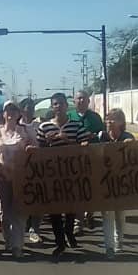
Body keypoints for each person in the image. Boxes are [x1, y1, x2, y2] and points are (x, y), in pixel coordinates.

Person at [36, 92, 93, 257]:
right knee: (54, 210)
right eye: (55, 104)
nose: (58, 107)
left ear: (67, 106)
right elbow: (38, 153)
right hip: (51, 176)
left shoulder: (76, 126)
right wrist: (47, 141)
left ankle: (69, 232)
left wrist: (67, 140)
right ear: (52, 107)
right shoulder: (44, 127)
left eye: (61, 103)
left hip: (71, 176)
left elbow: (83, 147)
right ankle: (59, 242)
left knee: (70, 209)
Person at [0, 101, 37, 258]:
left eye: (14, 110)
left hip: (21, 177)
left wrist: (31, 149)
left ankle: (18, 245)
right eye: (8, 110)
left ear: (18, 113)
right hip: (2, 176)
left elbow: (37, 148)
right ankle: (8, 240)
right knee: (5, 212)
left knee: (19, 212)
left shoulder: (26, 131)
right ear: (3, 113)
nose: (11, 113)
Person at [97, 108, 134, 257]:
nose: (109, 122)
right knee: (107, 215)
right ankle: (109, 247)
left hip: (122, 183)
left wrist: (132, 145)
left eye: (113, 119)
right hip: (105, 183)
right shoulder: (102, 137)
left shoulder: (128, 137)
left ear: (121, 122)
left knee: (120, 215)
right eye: (107, 119)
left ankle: (119, 241)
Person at [70, 90, 104, 231]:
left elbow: (102, 136)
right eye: (78, 99)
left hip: (92, 160)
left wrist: (92, 137)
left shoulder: (95, 117)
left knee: (92, 189)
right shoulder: (68, 116)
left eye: (84, 99)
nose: (81, 101)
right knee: (77, 190)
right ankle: (78, 222)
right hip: (73, 161)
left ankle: (89, 214)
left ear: (88, 101)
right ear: (74, 101)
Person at [18, 97, 43, 244]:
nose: (29, 111)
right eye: (27, 108)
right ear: (21, 110)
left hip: (37, 167)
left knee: (37, 201)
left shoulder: (39, 124)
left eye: (32, 108)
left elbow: (43, 142)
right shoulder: (15, 126)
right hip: (21, 168)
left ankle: (35, 229)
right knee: (24, 198)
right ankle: (23, 228)